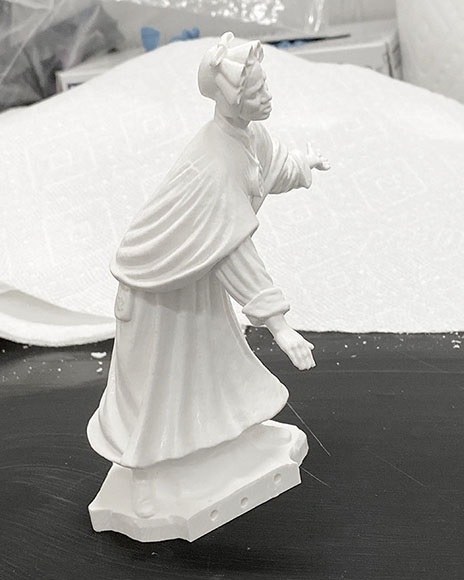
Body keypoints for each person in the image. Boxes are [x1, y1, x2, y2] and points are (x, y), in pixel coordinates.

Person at [87, 32, 330, 518]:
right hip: (156, 288)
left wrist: (302, 166)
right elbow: (235, 253)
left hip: (193, 274)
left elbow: (267, 165)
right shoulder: (214, 161)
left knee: (212, 360)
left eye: (265, 87)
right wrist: (280, 326)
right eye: (257, 92)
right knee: (160, 383)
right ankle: (147, 475)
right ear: (232, 99)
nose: (268, 97)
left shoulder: (245, 135)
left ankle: (225, 440)